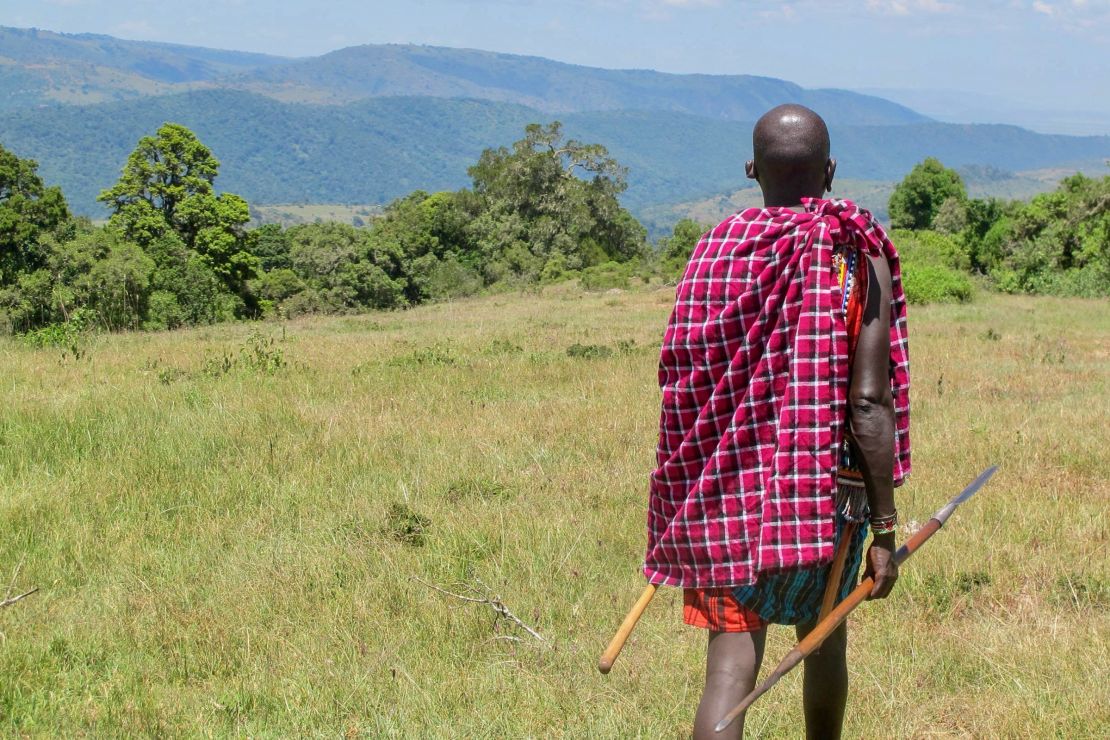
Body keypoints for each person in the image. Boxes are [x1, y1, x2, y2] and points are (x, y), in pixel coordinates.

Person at [644, 104, 912, 739]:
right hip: (824, 500)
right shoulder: (856, 255)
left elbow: (685, 382)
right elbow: (869, 403)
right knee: (822, 640)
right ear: (831, 171)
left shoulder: (715, 251)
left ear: (751, 171)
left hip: (722, 493)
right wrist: (884, 529)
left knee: (729, 672)